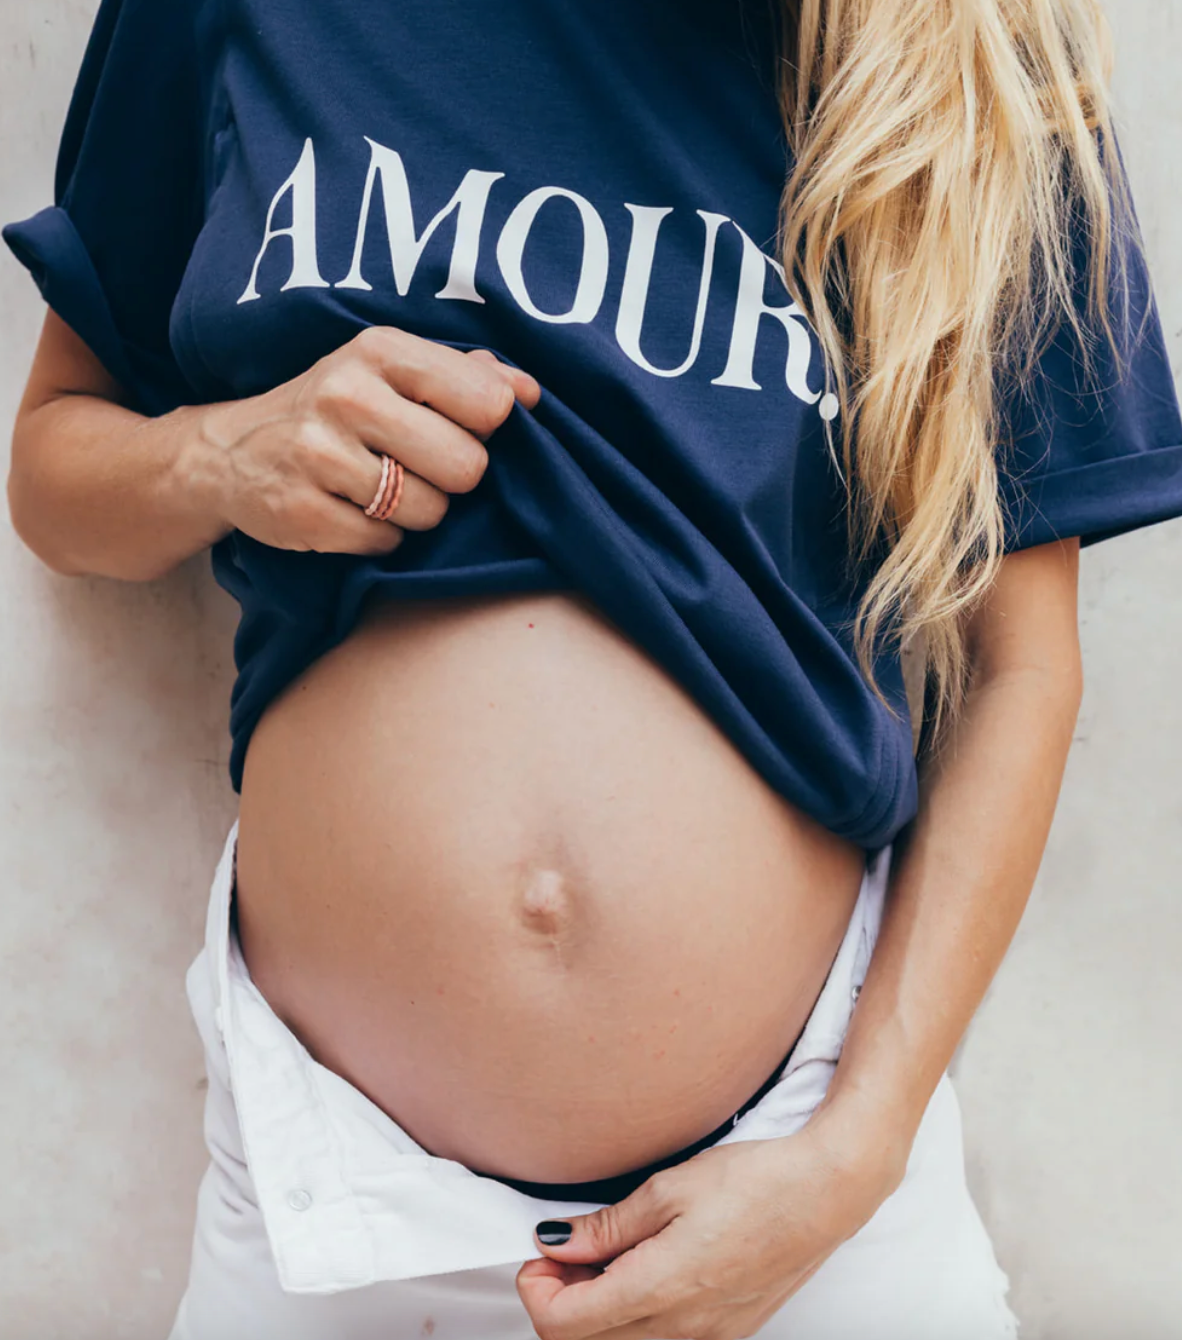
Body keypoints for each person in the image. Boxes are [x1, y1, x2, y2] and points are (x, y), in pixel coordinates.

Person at [4, 0, 1181, 1336]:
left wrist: (849, 1159)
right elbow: (56, 470)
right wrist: (225, 455)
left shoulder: (973, 56)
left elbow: (1018, 667)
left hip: (795, 1193)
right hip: (325, 1202)